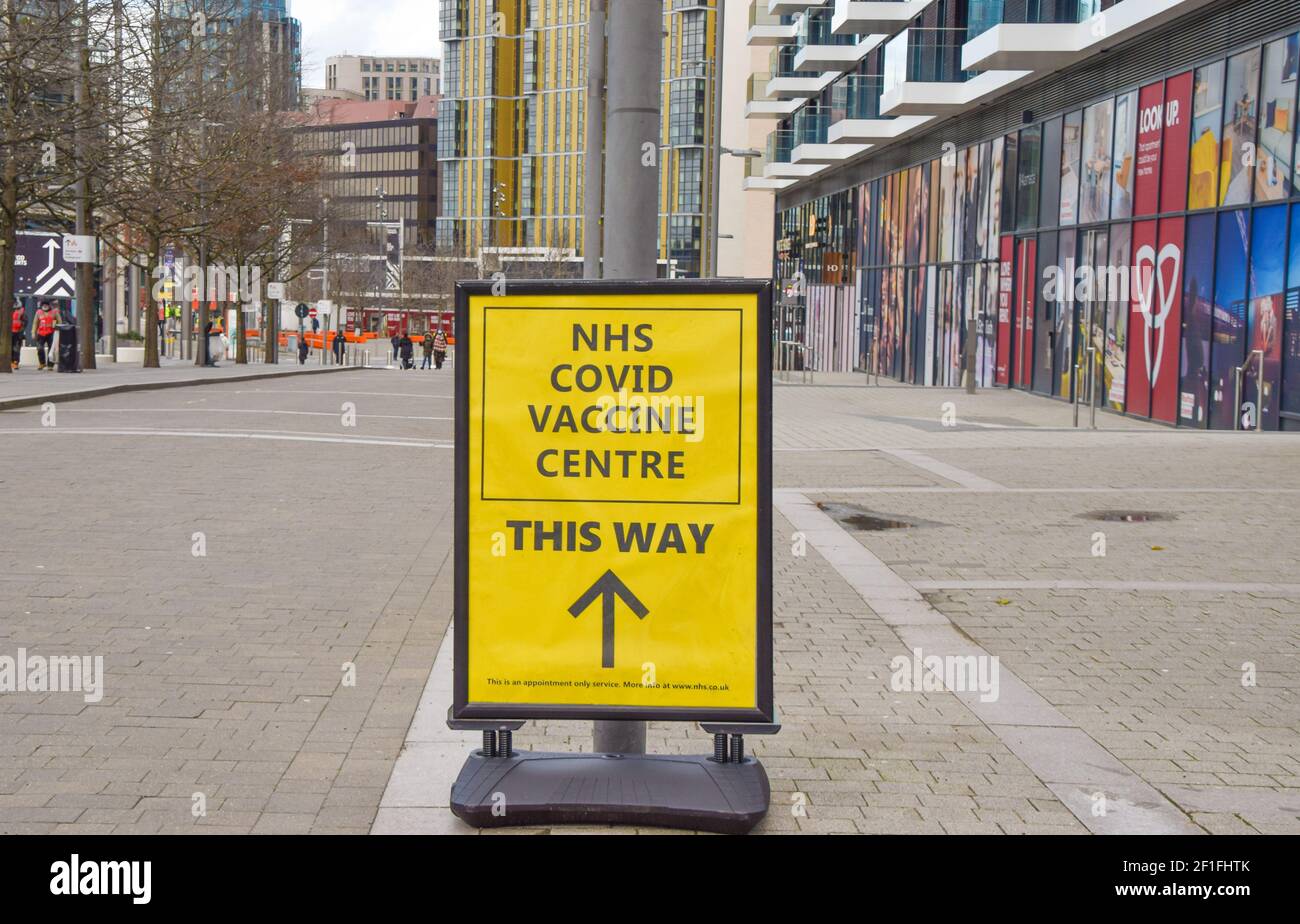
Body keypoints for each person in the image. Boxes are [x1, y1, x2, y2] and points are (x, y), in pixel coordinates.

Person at [34, 301, 58, 371]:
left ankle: (50, 365)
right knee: (40, 348)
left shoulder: (54, 312)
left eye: (46, 305)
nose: (45, 306)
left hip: (51, 333)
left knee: (51, 349)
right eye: (43, 305)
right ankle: (42, 363)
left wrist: (58, 331)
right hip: (41, 333)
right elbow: (35, 323)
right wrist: (33, 332)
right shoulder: (38, 312)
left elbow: (60, 321)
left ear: (49, 305)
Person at [10, 302, 25, 371]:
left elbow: (25, 322)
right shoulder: (8, 311)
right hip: (10, 333)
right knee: (10, 348)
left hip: (18, 333)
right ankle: (11, 361)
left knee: (16, 348)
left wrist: (21, 331)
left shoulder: (22, 312)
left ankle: (15, 362)